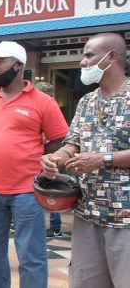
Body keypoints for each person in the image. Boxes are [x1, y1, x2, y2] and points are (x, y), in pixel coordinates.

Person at [0, 41, 69, 288]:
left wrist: (46, 167)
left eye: (0, 61)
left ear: (19, 65)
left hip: (28, 193)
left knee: (31, 257)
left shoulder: (43, 102)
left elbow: (61, 140)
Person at [40, 33, 130, 288]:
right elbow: (73, 144)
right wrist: (55, 158)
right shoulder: (86, 102)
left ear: (111, 57)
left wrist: (103, 159)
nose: (82, 61)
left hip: (124, 220)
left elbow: (98, 158)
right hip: (87, 214)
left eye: (89, 54)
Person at [33, 82, 64, 238]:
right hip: (48, 159)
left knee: (51, 193)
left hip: (49, 159)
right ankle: (54, 225)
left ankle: (55, 226)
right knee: (50, 192)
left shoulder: (48, 106)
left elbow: (55, 136)